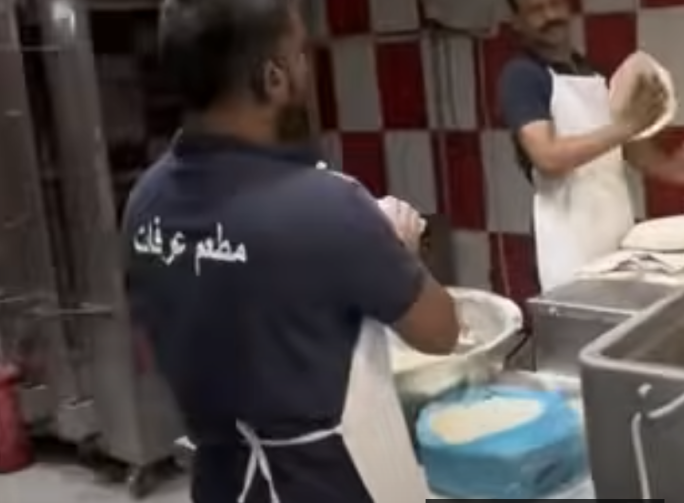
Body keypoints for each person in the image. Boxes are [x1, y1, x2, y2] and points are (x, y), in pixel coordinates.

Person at [122, 0, 458, 502]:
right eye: (300, 54)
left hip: (220, 484)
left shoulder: (144, 202)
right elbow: (440, 331)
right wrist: (400, 246)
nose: (306, 67)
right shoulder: (330, 207)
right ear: (273, 78)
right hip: (327, 486)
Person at [498, 0, 684, 291]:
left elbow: (624, 148)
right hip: (566, 238)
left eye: (555, 4)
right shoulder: (522, 75)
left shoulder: (591, 72)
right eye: (535, 10)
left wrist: (677, 168)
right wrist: (628, 126)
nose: (550, 16)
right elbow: (548, 157)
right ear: (517, 21)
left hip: (615, 225)